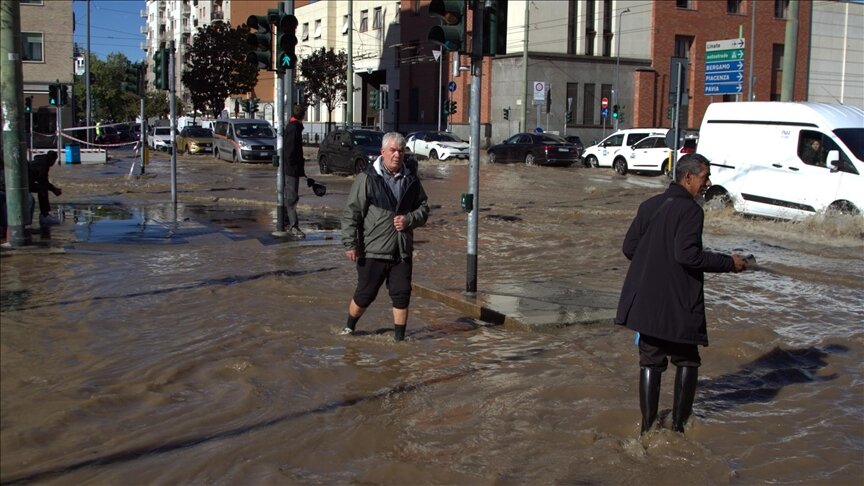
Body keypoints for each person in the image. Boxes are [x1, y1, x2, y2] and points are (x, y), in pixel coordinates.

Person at [615, 153, 748, 435]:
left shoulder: (650, 205)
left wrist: (656, 262)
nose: (708, 183)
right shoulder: (691, 210)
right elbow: (687, 255)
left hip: (644, 301)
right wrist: (729, 263)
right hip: (677, 303)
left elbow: (630, 249)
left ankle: (648, 428)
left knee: (650, 360)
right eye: (704, 177)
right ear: (688, 178)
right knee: (687, 359)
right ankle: (678, 428)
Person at [340, 132, 430, 341]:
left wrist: (409, 219)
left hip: (401, 250)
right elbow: (351, 213)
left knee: (401, 295)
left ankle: (400, 340)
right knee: (365, 295)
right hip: (373, 249)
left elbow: (424, 209)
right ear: (383, 152)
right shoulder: (367, 179)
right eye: (393, 150)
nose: (397, 155)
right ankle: (349, 327)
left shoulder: (411, 180)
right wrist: (350, 244)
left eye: (401, 150)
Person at [282, 104, 307, 238]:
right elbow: (291, 151)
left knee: (290, 196)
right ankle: (293, 226)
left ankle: (287, 223)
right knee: (292, 197)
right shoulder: (294, 128)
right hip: (291, 170)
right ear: (303, 116)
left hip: (292, 168)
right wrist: (296, 166)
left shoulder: (293, 127)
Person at [29, 150, 62, 226]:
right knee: (43, 189)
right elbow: (43, 181)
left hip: (27, 182)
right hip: (26, 183)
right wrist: (54, 189)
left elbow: (42, 180)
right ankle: (44, 215)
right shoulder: (43, 165)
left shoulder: (40, 162)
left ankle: (44, 214)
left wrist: (53, 189)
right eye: (54, 161)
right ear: (52, 160)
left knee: (42, 188)